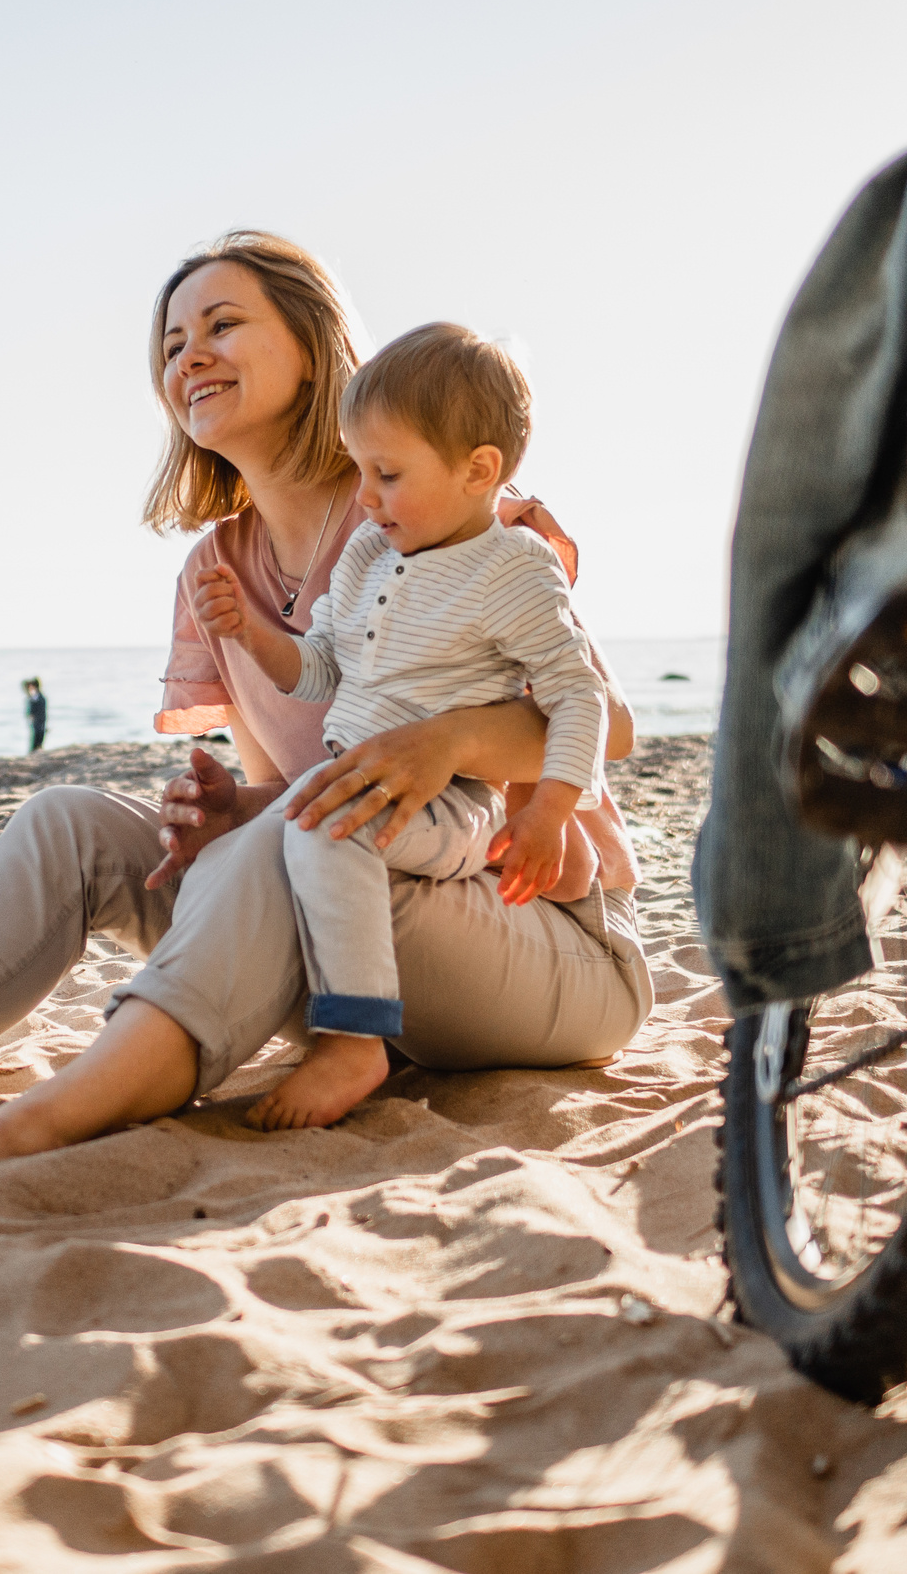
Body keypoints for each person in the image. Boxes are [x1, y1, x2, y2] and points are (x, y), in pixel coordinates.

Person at [0, 231, 652, 1177]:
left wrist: (447, 741)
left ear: (316, 344)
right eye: (169, 342)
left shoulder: (440, 512)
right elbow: (290, 796)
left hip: (540, 943)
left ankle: (37, 1126)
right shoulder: (218, 572)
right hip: (352, 929)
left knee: (283, 833)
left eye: (222, 324)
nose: (187, 355)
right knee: (69, 819)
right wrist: (226, 810)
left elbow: (608, 725)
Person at [192, 320, 608, 1129]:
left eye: (387, 473)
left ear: (478, 471)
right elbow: (317, 670)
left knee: (324, 825)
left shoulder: (514, 567)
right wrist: (249, 630)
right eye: (360, 471)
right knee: (272, 836)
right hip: (366, 772)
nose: (365, 496)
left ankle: (355, 1040)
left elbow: (578, 694)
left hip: (451, 798)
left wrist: (551, 810)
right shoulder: (365, 561)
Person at [23, 677, 49, 752]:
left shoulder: (39, 698)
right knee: (35, 740)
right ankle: (34, 752)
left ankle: (36, 751)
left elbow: (41, 711)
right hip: (36, 723)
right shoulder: (33, 698)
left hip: (40, 722)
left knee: (38, 740)